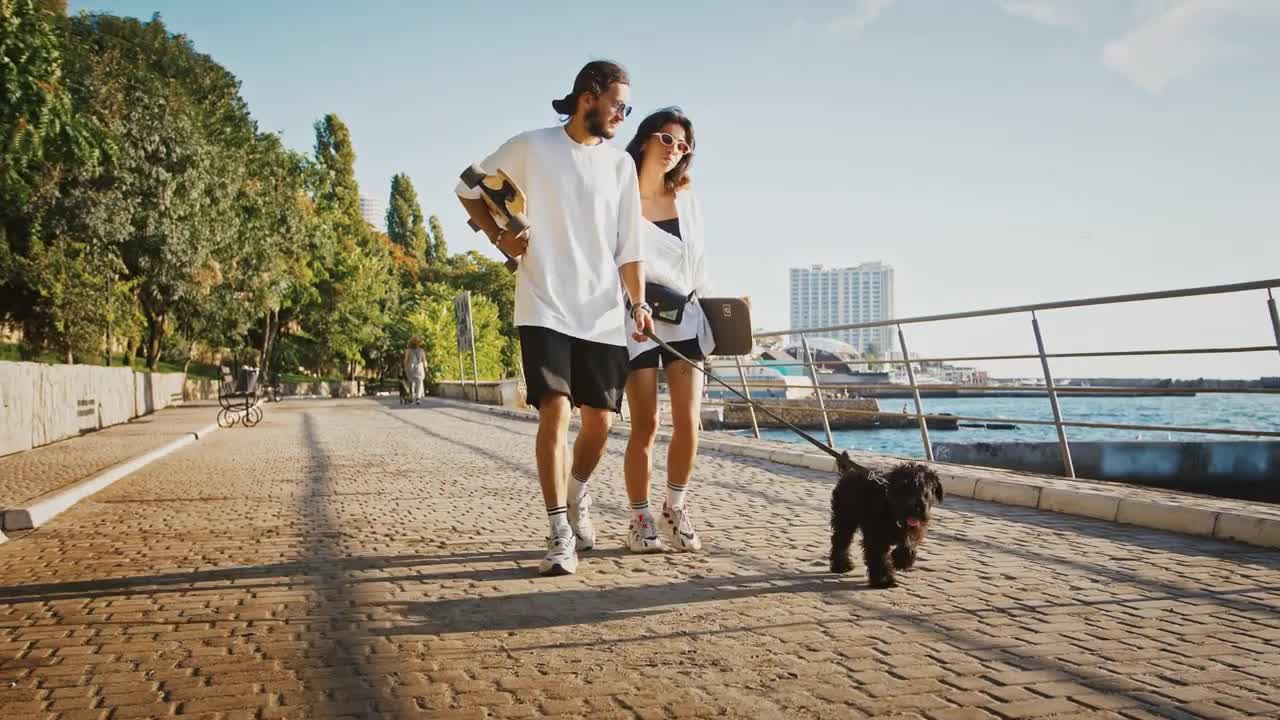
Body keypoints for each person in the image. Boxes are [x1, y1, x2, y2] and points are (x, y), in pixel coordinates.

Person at [455, 60, 653, 577]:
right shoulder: (532, 146)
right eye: (618, 105)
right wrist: (500, 238)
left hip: (604, 312)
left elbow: (629, 248)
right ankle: (558, 529)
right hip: (543, 303)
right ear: (590, 95)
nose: (622, 116)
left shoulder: (619, 167)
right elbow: (467, 186)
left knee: (601, 423)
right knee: (555, 413)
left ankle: (577, 493)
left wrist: (639, 302)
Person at [621, 108, 712, 553]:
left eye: (683, 146)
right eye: (666, 139)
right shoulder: (619, 194)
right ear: (643, 140)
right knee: (646, 424)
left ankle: (675, 507)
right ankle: (639, 519)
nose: (674, 150)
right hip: (634, 318)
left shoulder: (687, 198)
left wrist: (711, 308)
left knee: (689, 422)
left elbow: (699, 265)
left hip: (685, 318)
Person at [403, 337, 427, 404]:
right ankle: (418, 398)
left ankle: (411, 397)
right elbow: (424, 360)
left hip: (410, 368)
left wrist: (404, 367)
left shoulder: (408, 350)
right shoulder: (421, 350)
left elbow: (406, 360)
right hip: (419, 369)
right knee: (419, 382)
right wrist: (426, 367)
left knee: (411, 383)